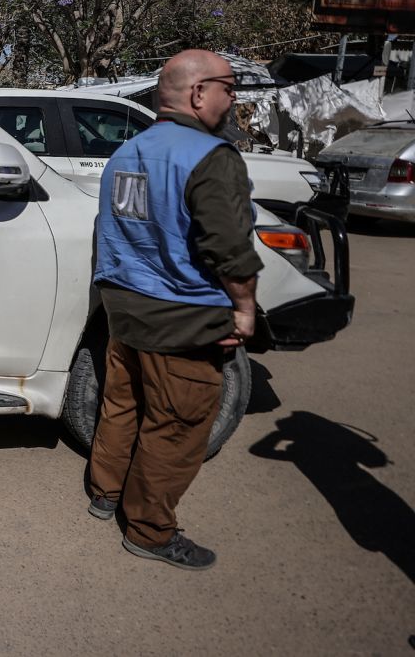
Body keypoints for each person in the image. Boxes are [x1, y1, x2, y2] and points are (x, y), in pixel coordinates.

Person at [86, 49, 263, 571]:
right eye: (229, 88)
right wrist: (246, 309)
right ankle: (150, 531)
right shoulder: (212, 156)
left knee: (124, 404)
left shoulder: (128, 151)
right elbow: (229, 247)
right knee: (177, 425)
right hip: (183, 311)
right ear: (197, 92)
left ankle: (106, 492)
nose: (233, 99)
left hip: (124, 304)